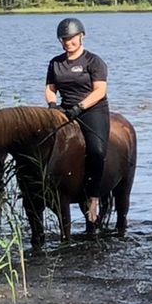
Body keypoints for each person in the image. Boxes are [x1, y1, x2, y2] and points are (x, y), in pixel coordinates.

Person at [45, 16, 109, 225]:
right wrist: (52, 105)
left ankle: (93, 197)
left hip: (92, 109)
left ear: (81, 36)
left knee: (97, 150)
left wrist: (79, 107)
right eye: (64, 39)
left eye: (71, 38)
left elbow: (99, 91)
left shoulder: (94, 61)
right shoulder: (56, 63)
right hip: (65, 109)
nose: (68, 42)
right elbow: (50, 88)